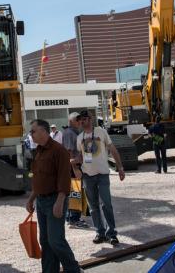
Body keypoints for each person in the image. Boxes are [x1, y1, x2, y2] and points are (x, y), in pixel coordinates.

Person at [25, 119, 80, 273]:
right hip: (41, 202)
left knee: (56, 241)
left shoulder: (59, 151)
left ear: (43, 131)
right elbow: (39, 178)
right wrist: (31, 199)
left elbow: (64, 178)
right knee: (46, 241)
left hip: (54, 200)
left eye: (33, 131)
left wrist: (60, 201)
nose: (31, 134)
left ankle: (73, 270)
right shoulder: (39, 151)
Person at [76, 110, 125, 245]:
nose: (82, 121)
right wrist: (74, 165)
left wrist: (120, 168)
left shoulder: (101, 132)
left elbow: (112, 149)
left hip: (102, 174)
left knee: (106, 204)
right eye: (80, 120)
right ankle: (100, 232)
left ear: (90, 119)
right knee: (93, 207)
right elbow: (81, 156)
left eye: (84, 119)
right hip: (87, 176)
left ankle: (112, 234)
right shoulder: (79, 138)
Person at [62, 112, 87, 228]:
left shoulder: (73, 132)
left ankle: (70, 217)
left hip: (74, 167)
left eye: (80, 120)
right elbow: (69, 153)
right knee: (76, 192)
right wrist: (75, 169)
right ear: (71, 121)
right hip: (73, 168)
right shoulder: (69, 133)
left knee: (73, 192)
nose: (79, 122)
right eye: (77, 120)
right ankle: (74, 219)